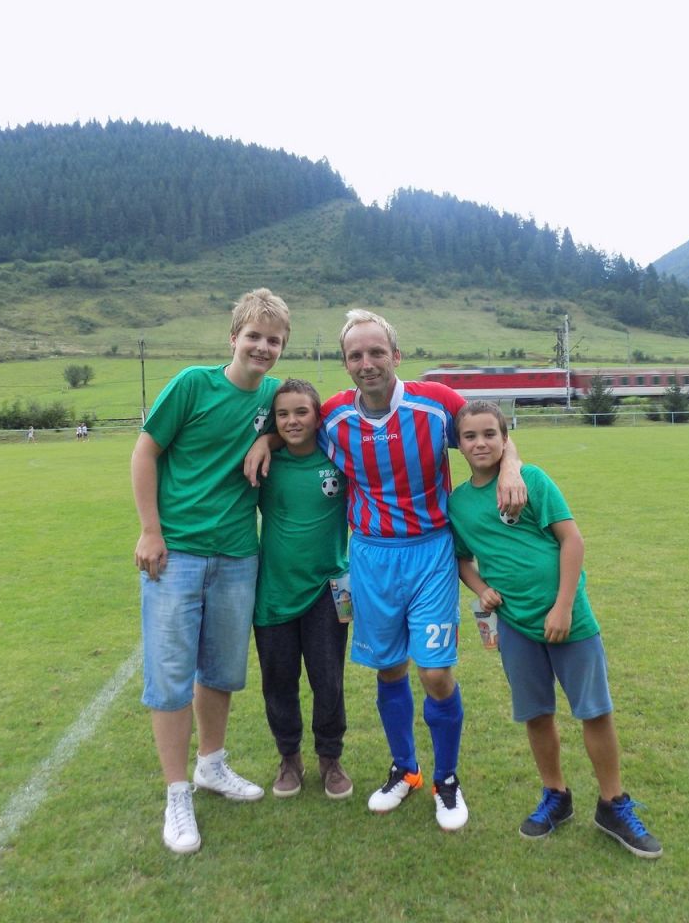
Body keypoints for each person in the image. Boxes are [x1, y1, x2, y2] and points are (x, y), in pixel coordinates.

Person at [246, 309, 525, 832]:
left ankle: (446, 779)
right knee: (390, 668)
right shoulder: (334, 415)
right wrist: (267, 441)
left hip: (431, 553)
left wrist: (510, 465)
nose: (367, 363)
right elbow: (295, 429)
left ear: (396, 356)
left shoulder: (435, 403)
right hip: (370, 558)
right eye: (356, 355)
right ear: (345, 363)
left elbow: (490, 428)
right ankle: (405, 770)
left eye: (377, 352)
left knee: (435, 672)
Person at [448, 400, 662, 858]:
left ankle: (613, 804)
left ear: (505, 439)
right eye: (470, 436)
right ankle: (556, 796)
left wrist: (563, 607)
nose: (481, 443)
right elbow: (461, 559)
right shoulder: (458, 503)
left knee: (594, 710)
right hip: (515, 626)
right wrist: (481, 588)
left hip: (569, 620)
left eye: (490, 434)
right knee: (536, 713)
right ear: (458, 445)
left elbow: (572, 540)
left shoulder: (532, 480)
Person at [131, 287, 290, 855]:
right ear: (233, 338)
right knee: (170, 675)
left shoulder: (274, 396)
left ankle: (211, 765)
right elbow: (144, 452)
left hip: (239, 555)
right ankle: (177, 794)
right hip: (176, 554)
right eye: (254, 337)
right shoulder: (192, 384)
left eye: (274, 340)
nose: (262, 348)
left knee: (220, 671)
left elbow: (307, 420)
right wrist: (150, 530)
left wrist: (269, 437)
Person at [253, 378, 353, 800]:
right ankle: (289, 758)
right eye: (282, 414)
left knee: (328, 678)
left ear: (317, 416)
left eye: (301, 412)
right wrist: (265, 442)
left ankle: (330, 758)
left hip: (332, 588)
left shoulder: (341, 459)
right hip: (273, 591)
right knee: (278, 679)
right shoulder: (263, 463)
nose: (292, 421)